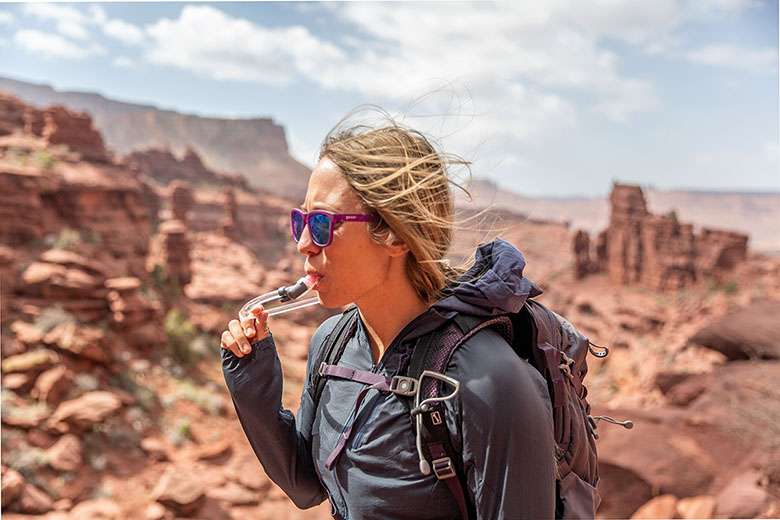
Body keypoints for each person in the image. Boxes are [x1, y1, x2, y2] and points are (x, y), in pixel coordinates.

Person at [220, 116, 556, 519]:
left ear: (396, 235)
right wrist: (250, 377)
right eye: (302, 221)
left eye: (323, 224)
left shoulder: (490, 381)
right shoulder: (333, 342)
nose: (304, 244)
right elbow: (306, 485)